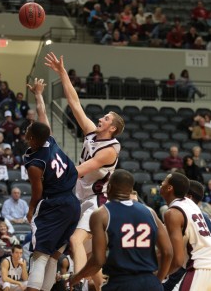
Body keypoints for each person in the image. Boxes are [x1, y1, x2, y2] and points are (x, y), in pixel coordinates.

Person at [45, 52, 124, 290]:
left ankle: (76, 285)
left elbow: (82, 169)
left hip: (96, 201)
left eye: (106, 118)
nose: (101, 118)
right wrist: (61, 73)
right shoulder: (92, 133)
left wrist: (57, 175)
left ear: (113, 128)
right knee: (91, 258)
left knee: (75, 240)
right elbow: (75, 103)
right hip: (79, 197)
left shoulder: (111, 149)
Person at [69, 169, 173, 290]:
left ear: (109, 188)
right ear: (130, 190)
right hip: (150, 282)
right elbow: (168, 252)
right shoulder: (150, 212)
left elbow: (98, 260)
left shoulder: (101, 214)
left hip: (121, 282)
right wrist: (158, 280)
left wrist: (77, 278)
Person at [24, 78, 81, 291]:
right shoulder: (49, 139)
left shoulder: (35, 163)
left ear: (31, 138)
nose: (27, 129)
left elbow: (37, 192)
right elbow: (42, 114)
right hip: (72, 204)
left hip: (54, 205)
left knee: (39, 256)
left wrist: (31, 210)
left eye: (29, 130)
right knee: (53, 257)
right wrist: (38, 94)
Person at [160, 172, 211, 290]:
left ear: (169, 188)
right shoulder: (190, 204)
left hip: (200, 267)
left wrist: (159, 277)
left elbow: (178, 260)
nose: (161, 183)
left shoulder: (172, 213)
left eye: (164, 181)